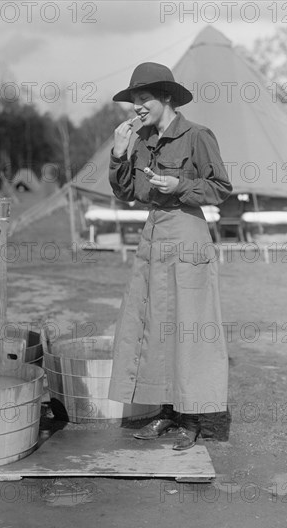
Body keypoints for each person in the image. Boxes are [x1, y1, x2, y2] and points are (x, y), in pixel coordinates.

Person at [108, 62, 233, 450]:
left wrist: (181, 185)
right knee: (153, 324)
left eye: (143, 98)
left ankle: (192, 418)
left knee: (189, 326)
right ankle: (166, 410)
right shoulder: (140, 138)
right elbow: (126, 190)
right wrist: (117, 153)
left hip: (188, 233)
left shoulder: (197, 136)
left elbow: (220, 188)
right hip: (154, 233)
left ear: (166, 97)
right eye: (133, 100)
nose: (137, 107)